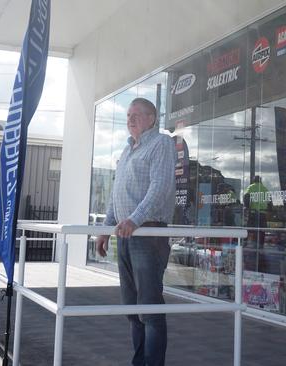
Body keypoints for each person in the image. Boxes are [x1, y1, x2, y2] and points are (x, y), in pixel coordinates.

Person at [95, 98, 176, 366]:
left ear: (152, 118)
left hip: (148, 234)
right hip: (126, 234)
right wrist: (106, 229)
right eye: (128, 115)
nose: (130, 120)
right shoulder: (127, 150)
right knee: (133, 308)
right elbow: (116, 195)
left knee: (150, 307)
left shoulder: (161, 143)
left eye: (137, 115)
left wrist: (135, 219)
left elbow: (160, 186)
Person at [243, 175, 269, 247]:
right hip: (263, 213)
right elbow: (269, 202)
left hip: (254, 213)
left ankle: (247, 245)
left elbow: (246, 197)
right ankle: (261, 246)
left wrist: (247, 207)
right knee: (262, 232)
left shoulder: (251, 187)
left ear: (254, 180)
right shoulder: (265, 189)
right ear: (260, 180)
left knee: (250, 230)